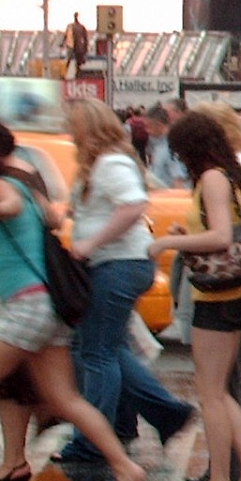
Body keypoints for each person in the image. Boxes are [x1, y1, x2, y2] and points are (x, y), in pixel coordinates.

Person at [0, 121, 148, 481]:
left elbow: (11, 207)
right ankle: (125, 467)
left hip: (26, 304)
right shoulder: (22, 178)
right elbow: (49, 220)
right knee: (64, 398)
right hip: (45, 304)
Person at [151, 109, 241, 481]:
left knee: (212, 394)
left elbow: (221, 237)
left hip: (219, 297)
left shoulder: (212, 179)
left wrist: (169, 244)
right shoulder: (228, 175)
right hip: (232, 294)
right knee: (221, 390)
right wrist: (187, 235)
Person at [58, 97, 193, 456]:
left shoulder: (110, 164)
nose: (69, 134)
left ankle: (92, 439)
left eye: (73, 128)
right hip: (116, 263)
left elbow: (133, 206)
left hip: (118, 263)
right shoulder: (100, 166)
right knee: (109, 348)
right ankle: (165, 413)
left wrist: (90, 242)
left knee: (96, 352)